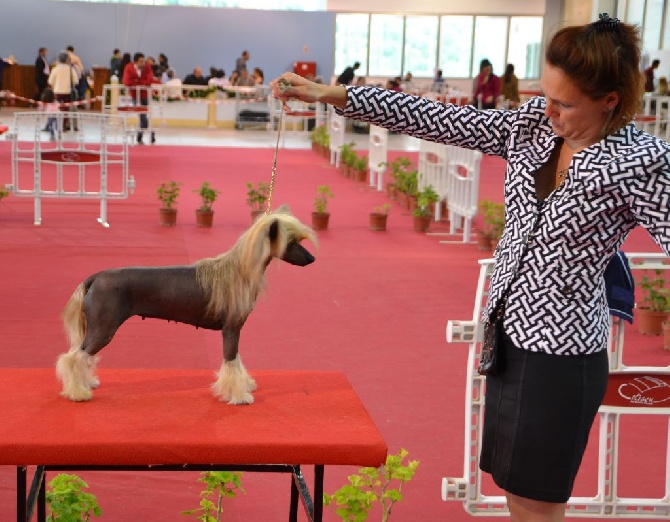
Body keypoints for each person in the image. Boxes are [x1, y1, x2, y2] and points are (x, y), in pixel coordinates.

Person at [271, 13, 670, 522]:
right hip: (508, 339)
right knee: (515, 495)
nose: (547, 111)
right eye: (543, 94)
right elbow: (436, 118)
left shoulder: (642, 161)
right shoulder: (531, 127)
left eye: (564, 103)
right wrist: (332, 94)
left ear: (610, 100)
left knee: (539, 504)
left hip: (563, 356)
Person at [122, 52, 155, 145]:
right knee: (142, 115)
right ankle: (150, 132)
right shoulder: (128, 67)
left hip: (145, 95)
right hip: (135, 95)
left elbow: (150, 80)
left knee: (143, 115)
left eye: (143, 61)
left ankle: (141, 135)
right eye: (141, 61)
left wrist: (137, 81)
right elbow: (126, 81)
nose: (143, 63)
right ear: (135, 62)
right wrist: (141, 83)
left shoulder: (147, 67)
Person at [47, 51, 78, 132]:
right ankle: (63, 126)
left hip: (57, 92)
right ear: (67, 59)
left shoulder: (55, 69)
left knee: (55, 109)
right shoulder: (71, 69)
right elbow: (76, 81)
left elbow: (50, 81)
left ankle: (53, 124)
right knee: (65, 110)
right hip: (67, 92)